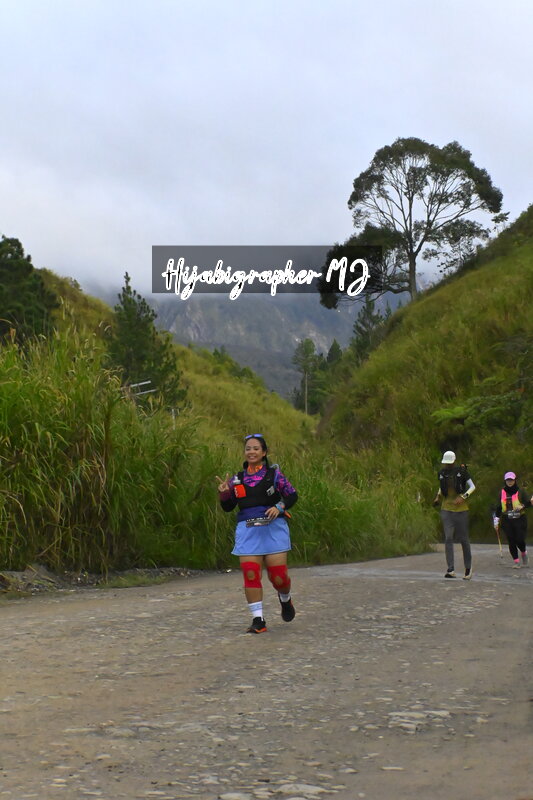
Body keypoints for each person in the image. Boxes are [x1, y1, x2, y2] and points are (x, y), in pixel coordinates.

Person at [216, 434, 298, 633]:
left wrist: (279, 507)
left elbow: (292, 495)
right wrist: (224, 493)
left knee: (278, 577)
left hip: (273, 529)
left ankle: (285, 599)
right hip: (248, 531)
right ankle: (258, 620)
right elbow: (228, 507)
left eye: (255, 448)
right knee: (251, 573)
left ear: (264, 452)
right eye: (248, 448)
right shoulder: (237, 479)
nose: (251, 452)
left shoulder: (274, 475)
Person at [433, 451, 476, 580]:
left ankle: (468, 568)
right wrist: (438, 497)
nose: (447, 465)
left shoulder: (461, 472)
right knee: (448, 538)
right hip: (446, 509)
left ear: (453, 461)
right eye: (446, 463)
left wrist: (463, 496)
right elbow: (442, 487)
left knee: (463, 539)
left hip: (461, 510)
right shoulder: (442, 473)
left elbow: (472, 487)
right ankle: (450, 568)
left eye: (449, 463)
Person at [493, 471, 533, 568]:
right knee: (511, 540)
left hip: (520, 518)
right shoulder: (501, 492)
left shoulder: (521, 491)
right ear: (505, 481)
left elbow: (529, 503)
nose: (510, 482)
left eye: (511, 480)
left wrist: (522, 506)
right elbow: (499, 507)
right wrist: (496, 520)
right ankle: (516, 561)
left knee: (520, 539)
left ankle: (523, 552)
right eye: (508, 480)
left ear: (515, 480)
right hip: (507, 519)